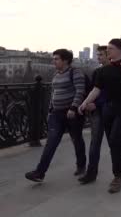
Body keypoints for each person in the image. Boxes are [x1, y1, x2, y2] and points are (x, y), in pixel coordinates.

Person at [79, 38, 121, 193]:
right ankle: (120, 170)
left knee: (115, 139)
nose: (108, 51)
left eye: (111, 48)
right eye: (107, 48)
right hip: (108, 109)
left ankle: (118, 176)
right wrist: (84, 103)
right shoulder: (103, 71)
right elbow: (97, 89)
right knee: (114, 142)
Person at [25, 49, 87, 183]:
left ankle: (81, 165)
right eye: (53, 59)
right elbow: (54, 95)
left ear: (65, 60)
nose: (54, 61)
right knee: (51, 143)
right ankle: (40, 173)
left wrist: (73, 107)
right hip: (56, 114)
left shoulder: (75, 73)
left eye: (56, 59)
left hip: (72, 114)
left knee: (76, 140)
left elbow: (80, 91)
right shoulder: (56, 75)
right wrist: (50, 111)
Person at [78, 45, 110, 185]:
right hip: (96, 112)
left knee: (114, 140)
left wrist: (95, 104)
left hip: (109, 110)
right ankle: (91, 173)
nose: (98, 58)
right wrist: (86, 103)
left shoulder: (115, 72)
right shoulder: (97, 72)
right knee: (95, 142)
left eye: (101, 55)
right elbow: (93, 90)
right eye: (98, 55)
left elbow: (111, 94)